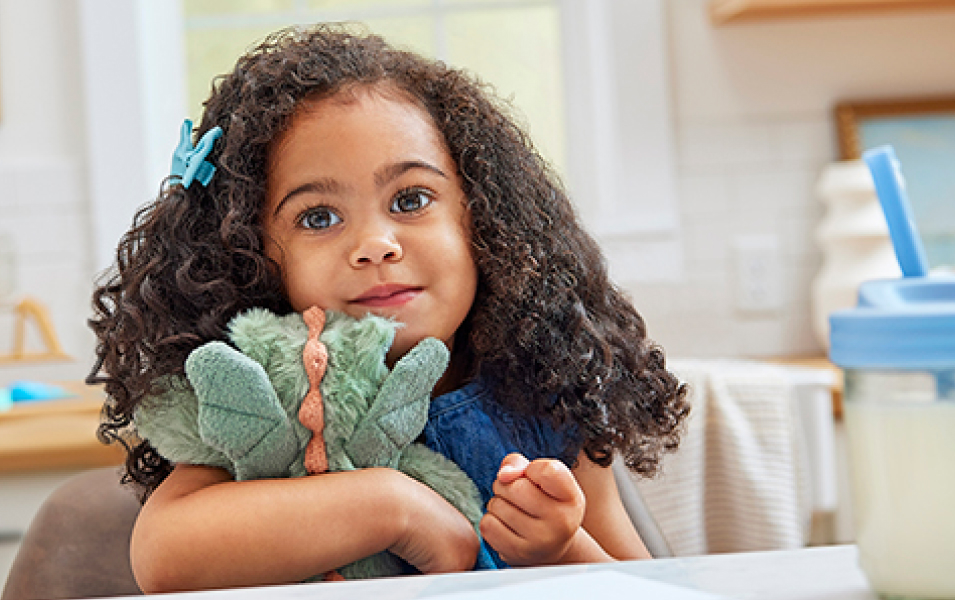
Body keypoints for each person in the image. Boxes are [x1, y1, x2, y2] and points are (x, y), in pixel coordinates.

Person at [86, 24, 691, 592]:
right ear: (256, 256)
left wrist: (562, 551)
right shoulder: (273, 394)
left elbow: (643, 592)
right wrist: (392, 506)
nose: (376, 243)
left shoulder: (548, 391)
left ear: (481, 219)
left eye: (410, 199)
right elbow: (164, 554)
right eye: (318, 217)